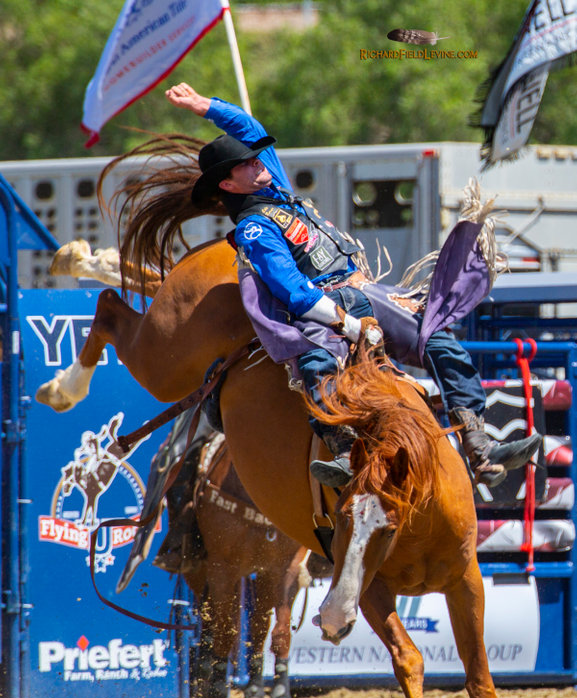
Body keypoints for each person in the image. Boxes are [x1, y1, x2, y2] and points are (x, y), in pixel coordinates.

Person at [164, 82, 541, 489]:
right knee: (317, 365)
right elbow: (293, 291)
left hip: (364, 291)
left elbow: (251, 129)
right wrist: (347, 324)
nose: (258, 163)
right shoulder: (255, 230)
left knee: (437, 338)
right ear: (228, 184)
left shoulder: (277, 190)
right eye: (247, 164)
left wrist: (206, 106)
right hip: (320, 310)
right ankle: (343, 453)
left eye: (256, 159)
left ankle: (478, 444)